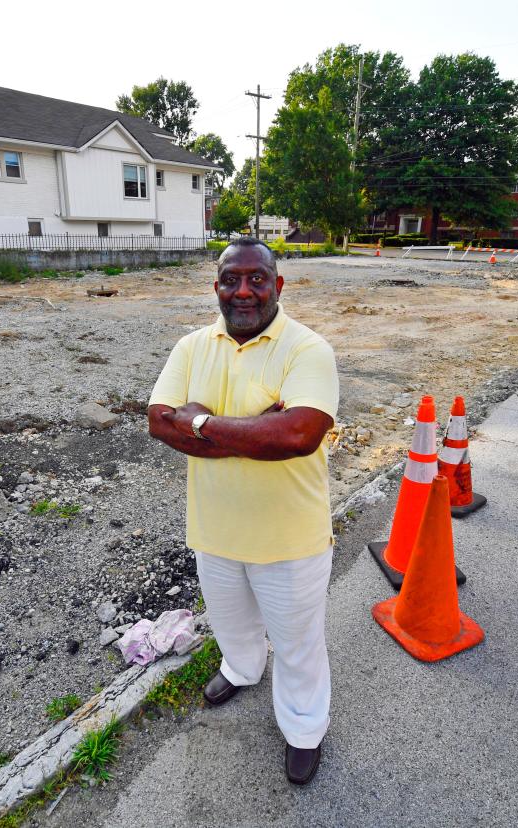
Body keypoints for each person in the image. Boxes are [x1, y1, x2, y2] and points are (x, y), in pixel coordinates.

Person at [147, 236, 339, 785]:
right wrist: (257, 428)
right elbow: (159, 421)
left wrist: (203, 423)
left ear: (279, 285)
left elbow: (299, 434)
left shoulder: (308, 350)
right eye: (232, 279)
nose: (244, 291)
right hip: (214, 531)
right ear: (217, 287)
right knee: (232, 626)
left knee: (298, 645)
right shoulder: (192, 346)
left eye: (258, 279)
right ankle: (242, 669)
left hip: (289, 540)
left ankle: (304, 728)